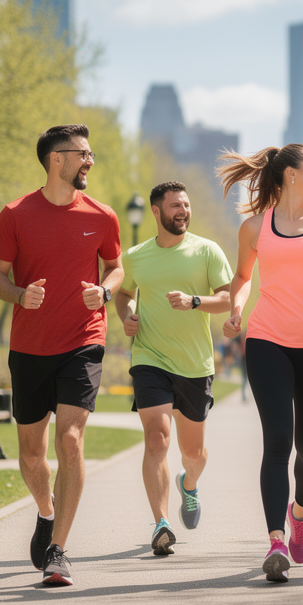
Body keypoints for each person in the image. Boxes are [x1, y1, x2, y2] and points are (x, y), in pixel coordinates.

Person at [0, 124, 123, 587]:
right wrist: (19, 295)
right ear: (56, 160)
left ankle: (59, 551)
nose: (90, 161)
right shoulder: (15, 214)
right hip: (29, 347)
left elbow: (116, 266)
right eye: (83, 154)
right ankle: (46, 512)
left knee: (70, 440)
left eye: (91, 153)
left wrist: (103, 292)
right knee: (31, 455)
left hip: (84, 340)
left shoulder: (103, 216)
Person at [217, 143, 303, 583]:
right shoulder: (255, 226)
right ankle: (276, 540)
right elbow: (242, 278)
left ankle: (300, 513)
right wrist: (237, 308)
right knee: (278, 440)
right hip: (268, 340)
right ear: (291, 174)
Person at [114, 181, 233, 556]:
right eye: (175, 206)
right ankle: (161, 523)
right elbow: (123, 293)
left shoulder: (207, 250)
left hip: (195, 365)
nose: (182, 211)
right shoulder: (135, 256)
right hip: (150, 359)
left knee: (193, 454)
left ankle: (190, 485)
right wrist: (127, 316)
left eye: (186, 204)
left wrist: (195, 301)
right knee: (156, 438)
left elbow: (228, 299)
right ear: (156, 211)